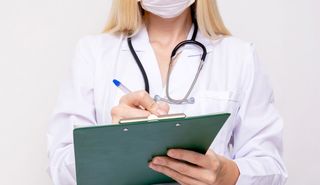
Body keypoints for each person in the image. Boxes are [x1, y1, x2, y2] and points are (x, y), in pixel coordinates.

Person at [47, 0, 288, 184]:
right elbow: (60, 168)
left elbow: (272, 167)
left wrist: (228, 174)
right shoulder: (93, 53)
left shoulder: (239, 57)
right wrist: (109, 142)